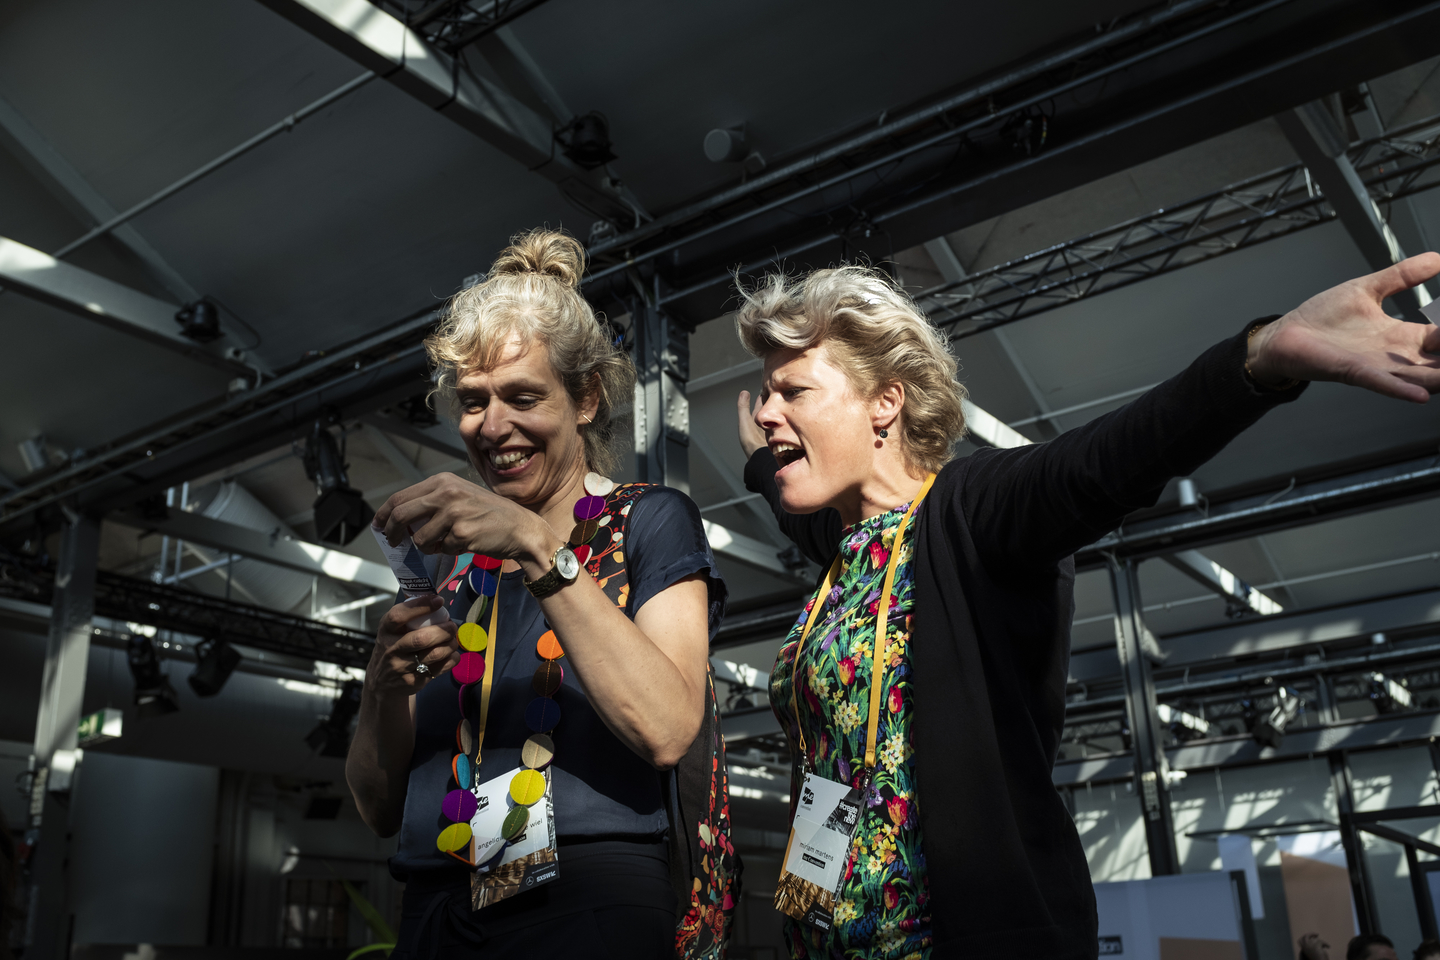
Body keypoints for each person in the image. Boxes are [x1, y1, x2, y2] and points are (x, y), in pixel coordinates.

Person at [733, 257, 1440, 959]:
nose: (767, 412)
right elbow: (793, 511)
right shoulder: (846, 544)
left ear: (884, 403)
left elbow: (1104, 462)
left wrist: (1259, 359)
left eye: (792, 391)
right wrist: (764, 463)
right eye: (766, 395)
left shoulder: (973, 514)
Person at [345, 229, 735, 959]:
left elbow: (667, 728)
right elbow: (377, 808)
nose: (493, 427)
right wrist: (380, 688)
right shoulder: (452, 573)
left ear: (586, 398)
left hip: (585, 905)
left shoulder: (645, 521)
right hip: (439, 905)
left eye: (523, 397)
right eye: (473, 402)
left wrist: (533, 543)